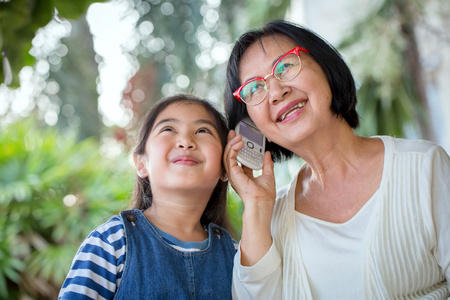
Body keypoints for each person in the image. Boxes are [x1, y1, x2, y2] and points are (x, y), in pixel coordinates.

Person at [223, 19, 450, 299]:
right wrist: (257, 207)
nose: (276, 92)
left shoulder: (424, 167)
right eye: (254, 89)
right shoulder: (269, 220)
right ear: (251, 125)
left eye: (285, 66)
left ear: (325, 67)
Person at [59, 94, 237, 300]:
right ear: (141, 163)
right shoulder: (111, 243)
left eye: (203, 130)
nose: (186, 141)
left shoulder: (235, 255)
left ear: (226, 167)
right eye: (168, 129)